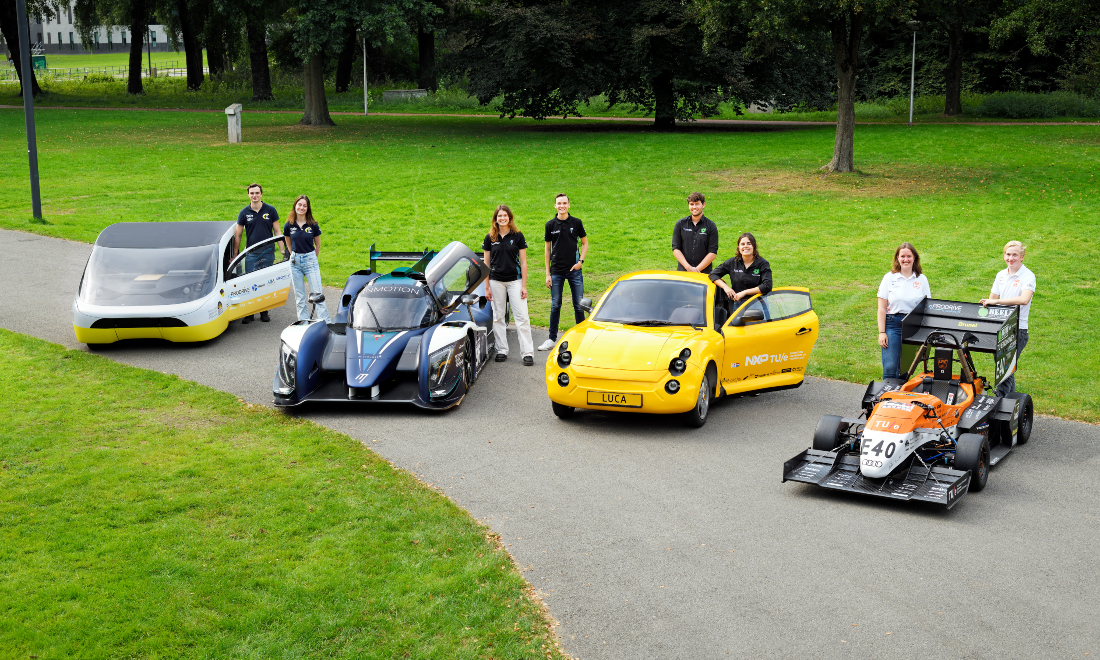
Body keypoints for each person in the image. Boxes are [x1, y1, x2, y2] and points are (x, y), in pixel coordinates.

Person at [980, 240, 1035, 396]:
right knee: (1005, 369)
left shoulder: (1028, 276)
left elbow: (1024, 299)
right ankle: (1010, 404)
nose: (1011, 258)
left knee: (1004, 370)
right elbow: (991, 299)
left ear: (1022, 257)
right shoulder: (1001, 275)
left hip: (1017, 329)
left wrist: (997, 302)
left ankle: (1000, 401)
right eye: (1008, 254)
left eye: (1015, 255)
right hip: (1000, 327)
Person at [483, 205, 534, 366]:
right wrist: (486, 287)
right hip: (495, 281)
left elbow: (523, 262)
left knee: (522, 317)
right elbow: (486, 264)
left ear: (509, 218)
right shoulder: (490, 238)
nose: (502, 218)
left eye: (505, 215)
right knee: (498, 317)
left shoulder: (518, 236)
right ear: (495, 219)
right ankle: (502, 350)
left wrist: (524, 285)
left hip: (515, 281)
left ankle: (527, 353)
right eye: (499, 216)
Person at [539, 193, 589, 351]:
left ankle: (581, 339)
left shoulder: (576, 222)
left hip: (574, 271)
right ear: (555, 206)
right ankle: (551, 339)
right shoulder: (550, 225)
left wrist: (580, 262)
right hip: (556, 271)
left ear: (569, 205)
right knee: (555, 305)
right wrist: (548, 274)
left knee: (579, 305)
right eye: (559, 203)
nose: (562, 206)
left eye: (564, 203)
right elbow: (547, 250)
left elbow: (585, 243)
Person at [876, 242, 931, 380]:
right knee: (890, 367)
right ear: (897, 258)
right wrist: (882, 332)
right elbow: (881, 308)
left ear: (914, 258)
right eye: (902, 256)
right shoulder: (889, 277)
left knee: (905, 369)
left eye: (909, 256)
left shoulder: (922, 279)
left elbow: (927, 307)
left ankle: (901, 393)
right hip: (892, 325)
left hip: (913, 326)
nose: (906, 259)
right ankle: (888, 393)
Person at [234, 183, 281, 324]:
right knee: (250, 283)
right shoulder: (244, 213)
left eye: (257, 193)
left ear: (261, 194)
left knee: (265, 282)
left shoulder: (270, 210)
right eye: (252, 193)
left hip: (267, 252)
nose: (254, 195)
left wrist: (283, 249)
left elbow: (277, 231)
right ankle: (250, 314)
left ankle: (264, 312)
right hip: (251, 253)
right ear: (248, 195)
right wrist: (235, 255)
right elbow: (238, 235)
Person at [283, 195, 330, 323]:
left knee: (318, 295)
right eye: (299, 205)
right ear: (295, 206)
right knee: (299, 297)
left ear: (308, 208)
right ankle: (303, 324)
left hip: (310, 261)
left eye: (304, 206)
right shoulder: (288, 225)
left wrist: (311, 258)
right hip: (295, 263)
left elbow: (318, 245)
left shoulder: (313, 225)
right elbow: (288, 243)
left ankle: (326, 324)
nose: (301, 208)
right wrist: (293, 254)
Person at [709, 232, 772, 306]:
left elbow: (767, 286)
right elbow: (713, 274)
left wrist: (745, 292)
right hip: (738, 304)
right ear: (738, 247)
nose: (745, 246)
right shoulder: (732, 262)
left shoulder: (763, 264)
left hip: (758, 302)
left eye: (749, 243)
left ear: (754, 246)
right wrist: (725, 287)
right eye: (742, 244)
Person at [672, 192, 719, 273]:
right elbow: (676, 249)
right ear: (688, 206)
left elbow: (712, 252)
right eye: (691, 204)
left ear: (703, 205)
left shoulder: (711, 226)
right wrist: (688, 268)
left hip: (703, 273)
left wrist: (697, 270)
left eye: (697, 204)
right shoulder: (680, 224)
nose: (694, 207)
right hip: (683, 272)